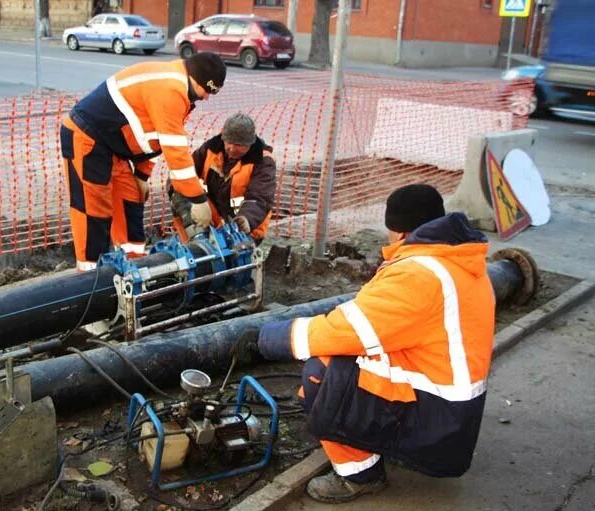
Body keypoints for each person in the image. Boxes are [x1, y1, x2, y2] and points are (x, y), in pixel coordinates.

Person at [234, 184, 495, 503]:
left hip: (434, 422)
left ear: (398, 232)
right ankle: (376, 444)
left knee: (323, 371)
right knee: (344, 361)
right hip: (451, 415)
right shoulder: (454, 259)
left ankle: (360, 475)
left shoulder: (418, 274)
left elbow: (346, 332)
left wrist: (266, 340)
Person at [60, 53, 226, 271]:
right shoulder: (171, 90)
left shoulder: (180, 86)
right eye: (207, 90)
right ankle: (91, 278)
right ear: (196, 79)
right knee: (94, 211)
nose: (206, 98)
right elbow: (175, 151)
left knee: (131, 199)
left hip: (113, 145)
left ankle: (135, 267)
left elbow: (152, 137)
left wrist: (141, 175)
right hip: (87, 138)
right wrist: (197, 199)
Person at [169, 113, 276, 242]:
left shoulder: (263, 162)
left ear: (250, 144)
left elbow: (260, 199)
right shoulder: (211, 149)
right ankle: (196, 240)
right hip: (215, 220)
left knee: (235, 252)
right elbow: (182, 174)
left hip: (244, 229)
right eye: (229, 142)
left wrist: (245, 220)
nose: (231, 148)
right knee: (180, 188)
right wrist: (197, 201)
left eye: (238, 145)